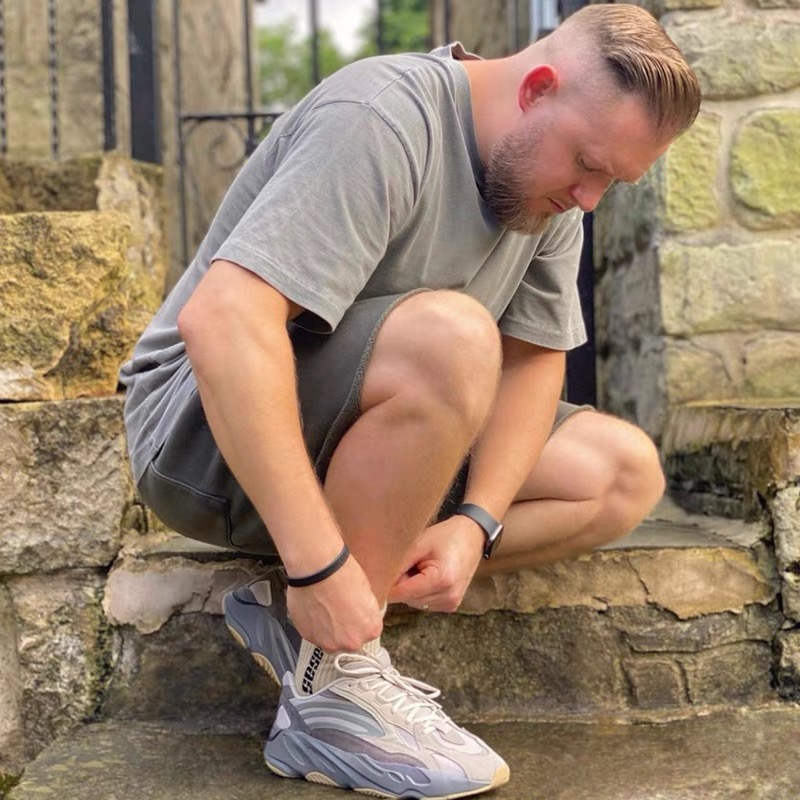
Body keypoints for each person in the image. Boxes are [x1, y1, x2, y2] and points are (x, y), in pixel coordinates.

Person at [120, 4, 700, 797]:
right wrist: (318, 562)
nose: (591, 197)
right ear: (537, 88)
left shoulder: (549, 191)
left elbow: (535, 362)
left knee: (621, 472)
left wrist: (476, 523)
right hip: (200, 440)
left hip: (368, 432)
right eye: (589, 165)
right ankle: (332, 693)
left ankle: (295, 620)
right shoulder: (382, 116)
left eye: (611, 181)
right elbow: (224, 321)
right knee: (454, 339)